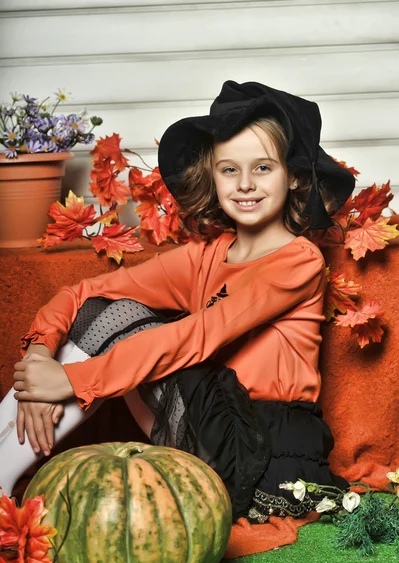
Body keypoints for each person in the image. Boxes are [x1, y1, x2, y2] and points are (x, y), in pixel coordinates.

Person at [1, 80, 355, 523]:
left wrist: (72, 380)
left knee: (127, 320)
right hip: (204, 426)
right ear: (213, 176)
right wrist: (40, 358)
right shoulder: (206, 256)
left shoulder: (298, 259)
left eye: (263, 168)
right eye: (229, 170)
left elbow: (198, 337)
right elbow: (83, 293)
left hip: (264, 448)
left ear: (295, 175)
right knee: (103, 308)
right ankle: (3, 477)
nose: (245, 184)